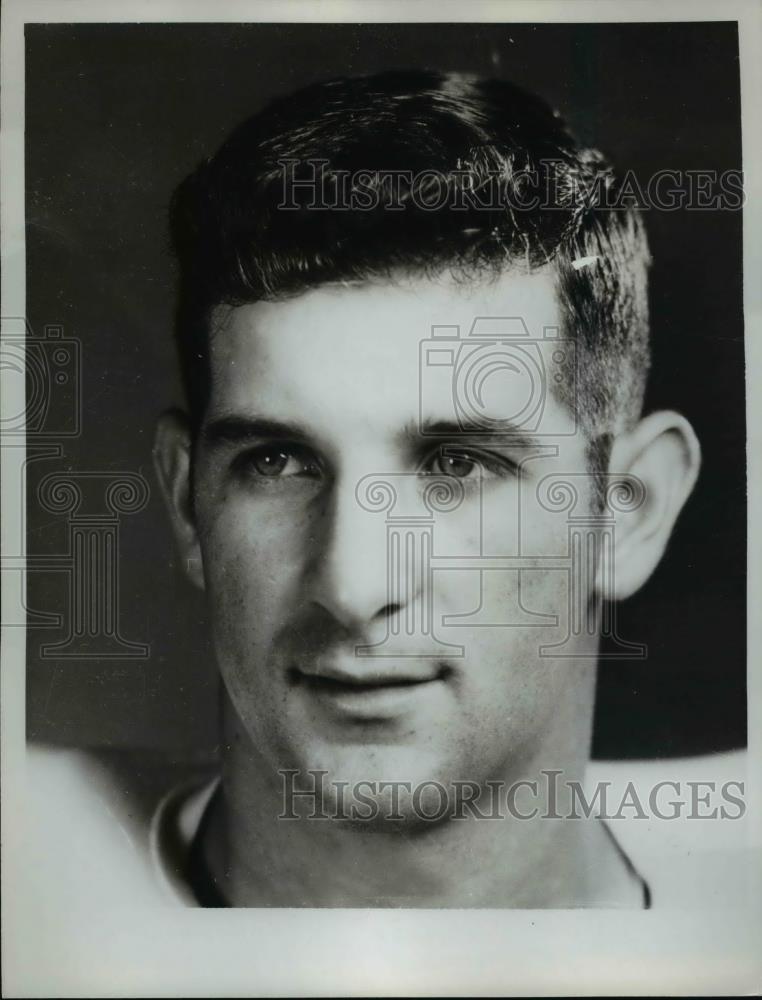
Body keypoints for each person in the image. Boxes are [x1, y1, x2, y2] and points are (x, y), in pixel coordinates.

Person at [25, 70, 747, 913]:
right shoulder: (25, 869)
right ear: (188, 501)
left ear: (627, 510)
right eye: (276, 462)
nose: (353, 587)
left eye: (457, 465)